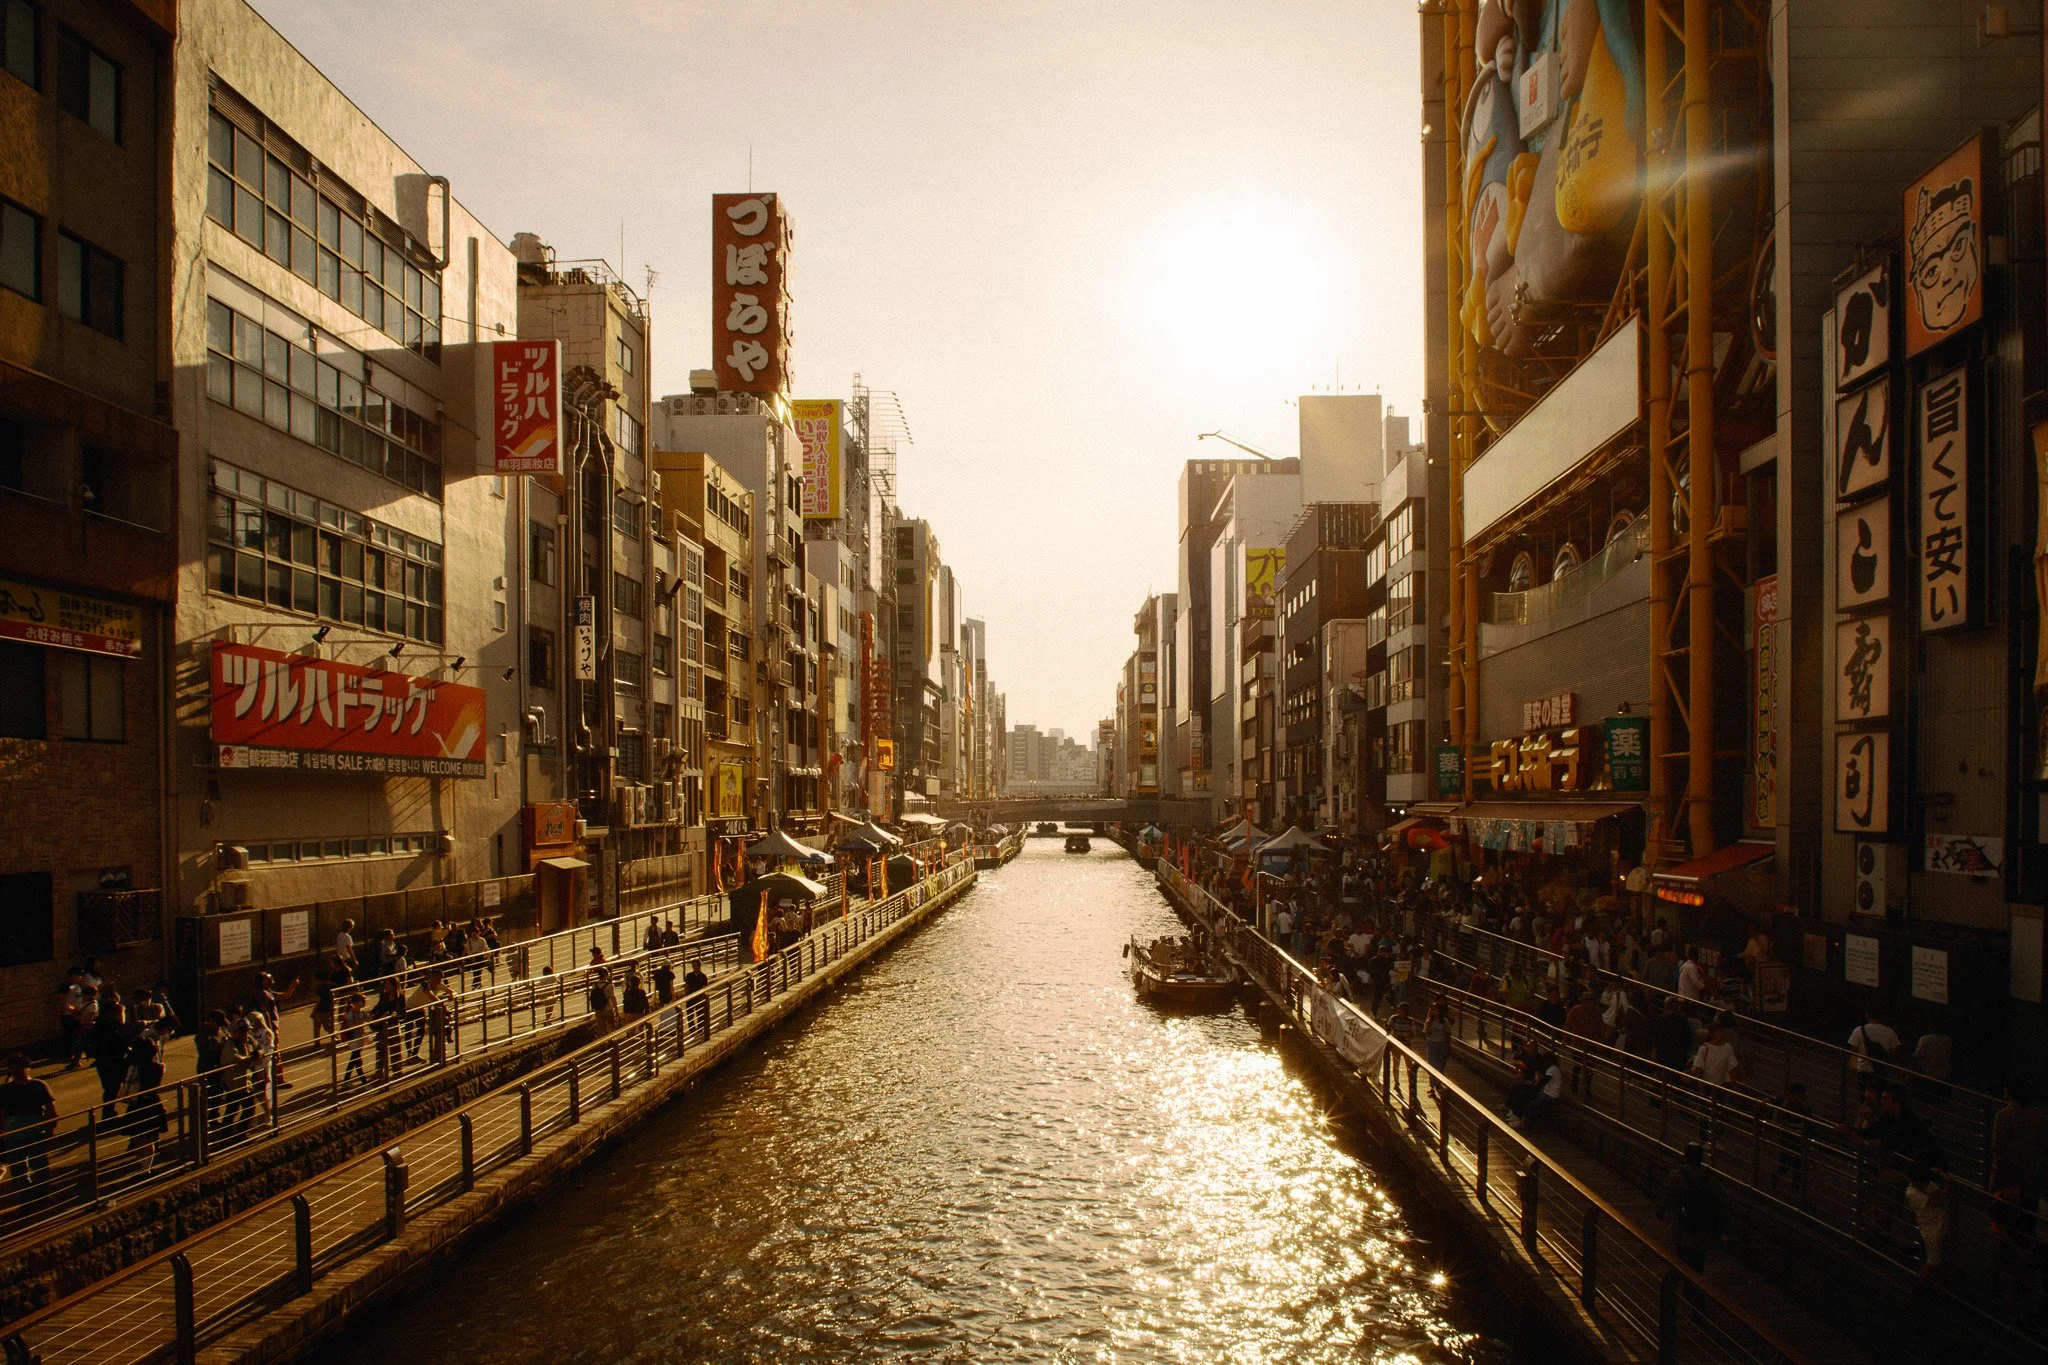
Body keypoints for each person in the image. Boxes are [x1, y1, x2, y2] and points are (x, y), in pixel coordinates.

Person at [1659, 1143, 1722, 1306]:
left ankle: (1694, 1297)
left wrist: (1661, 1211)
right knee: (1699, 1264)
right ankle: (1696, 1294)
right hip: (1704, 1229)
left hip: (1684, 1228)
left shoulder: (1676, 1176)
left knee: (1685, 1262)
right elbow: (1719, 1204)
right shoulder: (1711, 1178)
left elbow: (1666, 1197)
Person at [0, 1053, 57, 1188]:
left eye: (19, 1068)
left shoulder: (38, 1085)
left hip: (34, 1132)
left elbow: (51, 1110)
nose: (16, 1072)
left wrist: (50, 1128)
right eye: (13, 1069)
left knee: (39, 1166)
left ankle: (41, 1192)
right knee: (19, 1171)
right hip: (13, 1135)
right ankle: (28, 1194)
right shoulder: (5, 1090)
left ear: (27, 1068)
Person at [1903, 1161, 1949, 1289]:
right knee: (1933, 1261)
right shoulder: (1912, 1193)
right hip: (1931, 1229)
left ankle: (1933, 1282)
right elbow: (1937, 1201)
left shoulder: (1926, 1185)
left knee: (1939, 1257)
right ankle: (1919, 1284)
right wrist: (1946, 1182)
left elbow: (1938, 1195)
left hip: (1939, 1226)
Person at [1849, 1009, 1902, 1090]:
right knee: (1879, 1092)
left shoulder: (1859, 1030)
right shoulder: (1889, 1031)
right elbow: (1896, 1050)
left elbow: (1854, 1049)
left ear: (1867, 1015)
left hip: (1863, 1067)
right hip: (1881, 1069)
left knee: (1864, 1093)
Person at [1691, 1022, 1740, 1089]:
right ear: (1711, 1034)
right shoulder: (1704, 1048)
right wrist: (1700, 1085)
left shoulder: (1728, 1048)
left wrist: (1734, 1084)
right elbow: (1699, 1068)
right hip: (1707, 1083)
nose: (1721, 1034)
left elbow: (1731, 1068)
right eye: (1718, 1032)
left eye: (1722, 1032)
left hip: (1722, 1084)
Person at [1424, 999, 1451, 1095]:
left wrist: (1448, 1046)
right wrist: (1428, 1025)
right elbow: (1426, 1034)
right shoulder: (1429, 1021)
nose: (1434, 1012)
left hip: (1442, 1044)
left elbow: (1448, 1034)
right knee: (1431, 1065)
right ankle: (1432, 1086)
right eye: (1432, 1010)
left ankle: (1438, 1084)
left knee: (1440, 1066)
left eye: (1436, 1010)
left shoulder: (1444, 1022)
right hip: (1431, 1044)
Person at [683, 961, 709, 1039]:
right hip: (690, 997)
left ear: (699, 966)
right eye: (693, 965)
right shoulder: (689, 975)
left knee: (700, 1014)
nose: (694, 967)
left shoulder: (703, 976)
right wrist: (686, 995)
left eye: (696, 965)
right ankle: (692, 1029)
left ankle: (700, 1029)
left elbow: (705, 987)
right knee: (690, 1014)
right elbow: (686, 986)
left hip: (699, 997)